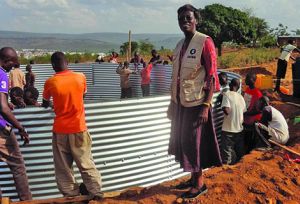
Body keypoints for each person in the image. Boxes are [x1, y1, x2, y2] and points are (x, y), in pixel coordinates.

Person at [167, 4, 222, 200]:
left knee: (194, 143)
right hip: (181, 103)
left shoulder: (205, 42)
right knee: (184, 142)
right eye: (181, 19)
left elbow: (212, 77)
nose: (185, 22)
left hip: (197, 104)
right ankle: (193, 178)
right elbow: (177, 77)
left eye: (188, 18)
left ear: (196, 20)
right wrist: (172, 104)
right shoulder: (180, 45)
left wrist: (206, 106)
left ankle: (199, 185)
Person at [42, 52, 103, 200]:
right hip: (79, 128)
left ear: (53, 66)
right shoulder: (80, 77)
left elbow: (45, 103)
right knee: (86, 162)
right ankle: (96, 193)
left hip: (60, 131)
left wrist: (54, 104)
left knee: (63, 168)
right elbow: (82, 96)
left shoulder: (50, 82)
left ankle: (71, 196)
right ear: (67, 62)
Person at [0, 47, 31, 200]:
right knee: (18, 166)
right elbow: (3, 109)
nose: (11, 68)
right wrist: (21, 128)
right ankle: (26, 202)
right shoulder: (1, 74)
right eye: (11, 65)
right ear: (6, 61)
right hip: (0, 131)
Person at [221, 78, 246, 165]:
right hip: (239, 129)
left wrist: (222, 103)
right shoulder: (241, 97)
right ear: (239, 87)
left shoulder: (227, 95)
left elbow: (227, 111)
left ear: (230, 85)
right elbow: (243, 111)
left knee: (227, 153)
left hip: (228, 130)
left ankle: (226, 173)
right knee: (240, 152)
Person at [243, 72, 263, 153]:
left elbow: (259, 110)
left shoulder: (257, 93)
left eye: (248, 78)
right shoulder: (247, 90)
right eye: (246, 78)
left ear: (254, 80)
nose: (246, 80)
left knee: (251, 142)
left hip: (253, 121)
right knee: (246, 140)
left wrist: (246, 113)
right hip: (246, 120)